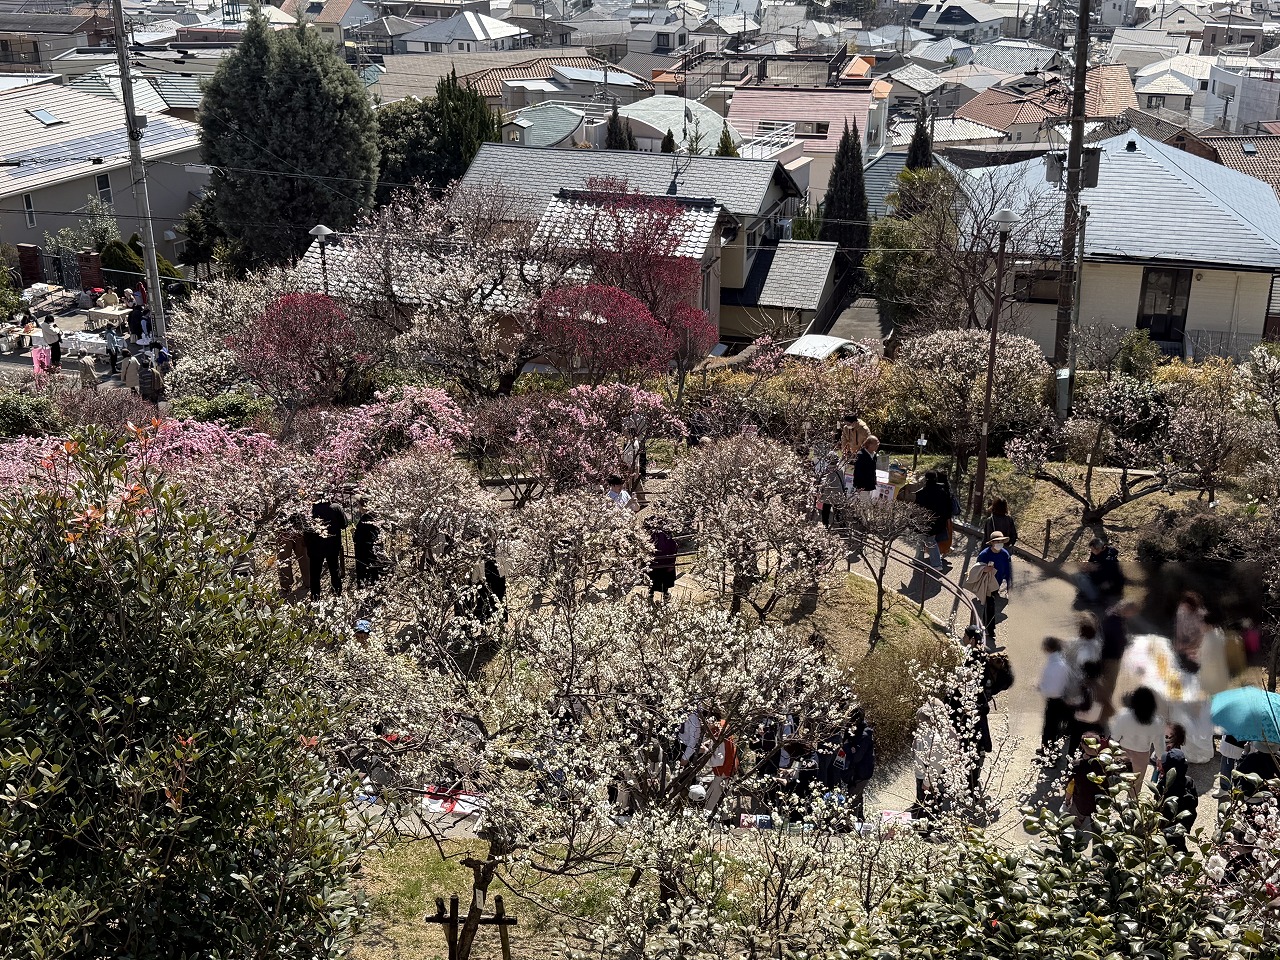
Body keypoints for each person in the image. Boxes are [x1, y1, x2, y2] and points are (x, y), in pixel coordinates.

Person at [1110, 686, 1163, 797]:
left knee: (1115, 780)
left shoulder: (1124, 716)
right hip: (1142, 756)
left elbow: (1115, 736)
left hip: (1122, 752)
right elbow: (1159, 743)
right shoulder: (1156, 722)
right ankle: (1131, 807)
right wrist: (1160, 757)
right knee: (1135, 786)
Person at [1153, 723, 1198, 852]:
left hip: (1167, 825)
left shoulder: (1164, 787)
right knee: (1179, 844)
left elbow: (1157, 805)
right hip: (1184, 824)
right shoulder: (1189, 781)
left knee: (1168, 847)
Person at [1099, 599, 1138, 723]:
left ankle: (1101, 709)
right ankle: (1102, 713)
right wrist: (1127, 641)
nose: (1131, 616)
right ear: (1127, 610)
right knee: (1109, 684)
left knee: (1105, 683)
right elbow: (1118, 641)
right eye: (1132, 613)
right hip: (1111, 657)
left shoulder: (1112, 615)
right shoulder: (1115, 622)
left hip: (1106, 653)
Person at [1036, 636, 1072, 755]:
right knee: (1054, 727)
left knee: (1050, 728)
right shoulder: (1060, 661)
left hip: (1055, 700)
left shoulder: (1054, 664)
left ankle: (1049, 754)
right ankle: (1049, 750)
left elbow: (1051, 687)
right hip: (1062, 699)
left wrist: (1041, 687)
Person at [306, 496, 348, 598]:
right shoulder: (336, 507)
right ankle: (337, 593)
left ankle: (315, 596)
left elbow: (304, 528)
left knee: (315, 573)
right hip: (332, 545)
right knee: (334, 570)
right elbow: (344, 524)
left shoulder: (309, 509)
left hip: (315, 546)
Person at [975, 533, 1012, 643]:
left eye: (1001, 542)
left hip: (997, 583)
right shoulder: (984, 554)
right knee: (990, 605)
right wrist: (984, 569)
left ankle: (984, 625)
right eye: (996, 542)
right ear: (991, 543)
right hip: (986, 583)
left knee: (989, 605)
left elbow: (1009, 571)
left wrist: (1010, 586)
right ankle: (989, 629)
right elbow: (976, 569)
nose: (999, 544)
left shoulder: (1005, 554)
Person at [914, 471, 952, 569]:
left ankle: (933, 563)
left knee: (925, 540)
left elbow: (916, 509)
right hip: (938, 522)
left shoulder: (921, 493)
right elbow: (946, 508)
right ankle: (921, 560)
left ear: (925, 479)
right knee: (928, 540)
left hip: (924, 522)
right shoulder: (942, 491)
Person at [1075, 538, 1125, 605]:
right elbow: (1091, 561)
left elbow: (1108, 574)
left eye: (1093, 549)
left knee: (1083, 578)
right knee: (1079, 574)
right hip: (1101, 576)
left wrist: (1094, 569)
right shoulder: (1095, 552)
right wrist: (1086, 566)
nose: (1091, 551)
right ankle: (1089, 592)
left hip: (1110, 581)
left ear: (1099, 549)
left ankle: (1095, 598)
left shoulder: (1110, 558)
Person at [275, 513, 310, 598]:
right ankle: (308, 581)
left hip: (286, 528)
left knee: (285, 558)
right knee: (304, 556)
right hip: (295, 526)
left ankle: (286, 586)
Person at [353, 508, 386, 588]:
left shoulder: (365, 520)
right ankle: (376, 584)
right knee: (375, 570)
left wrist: (354, 534)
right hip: (375, 547)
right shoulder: (378, 518)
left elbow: (358, 537)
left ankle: (364, 586)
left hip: (363, 548)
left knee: (363, 571)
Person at [647, 520, 679, 598]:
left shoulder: (653, 536)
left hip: (655, 561)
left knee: (654, 576)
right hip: (666, 561)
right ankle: (665, 592)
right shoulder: (667, 537)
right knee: (665, 575)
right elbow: (674, 547)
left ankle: (651, 592)